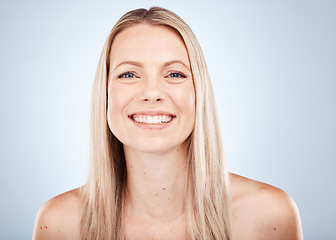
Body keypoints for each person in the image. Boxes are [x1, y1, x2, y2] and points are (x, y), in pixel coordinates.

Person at [32, 7, 303, 240]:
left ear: (199, 93)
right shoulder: (59, 225)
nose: (152, 92)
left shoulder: (269, 218)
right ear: (104, 93)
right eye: (128, 74)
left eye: (174, 73)